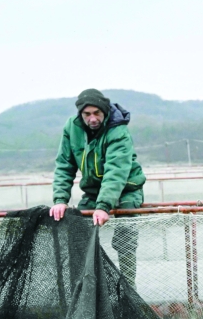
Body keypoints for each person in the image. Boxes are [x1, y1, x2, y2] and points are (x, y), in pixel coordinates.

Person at [49, 88, 146, 286]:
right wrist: (60, 200)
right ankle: (87, 289)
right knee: (79, 235)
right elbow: (64, 165)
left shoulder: (117, 130)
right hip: (94, 191)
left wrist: (103, 206)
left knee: (125, 239)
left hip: (127, 188)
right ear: (80, 114)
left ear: (104, 111)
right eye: (87, 114)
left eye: (97, 113)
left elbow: (116, 171)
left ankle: (128, 289)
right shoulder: (72, 128)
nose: (92, 118)